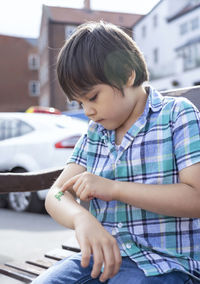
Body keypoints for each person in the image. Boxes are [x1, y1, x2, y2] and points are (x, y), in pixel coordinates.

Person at [32, 21, 200, 283]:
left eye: (93, 97)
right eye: (79, 102)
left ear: (126, 73)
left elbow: (196, 197)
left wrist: (114, 188)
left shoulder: (177, 114)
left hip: (166, 264)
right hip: (100, 260)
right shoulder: (96, 132)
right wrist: (81, 220)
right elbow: (56, 194)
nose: (87, 110)